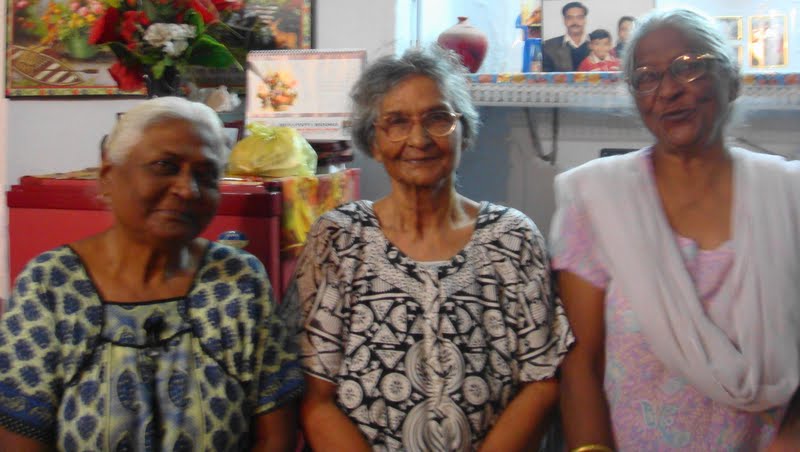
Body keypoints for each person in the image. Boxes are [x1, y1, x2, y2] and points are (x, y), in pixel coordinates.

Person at [291, 45, 573, 451]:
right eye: (397, 122)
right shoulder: (338, 239)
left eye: (438, 118)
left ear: (464, 131)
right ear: (373, 141)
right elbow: (314, 397)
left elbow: (542, 381)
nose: (419, 138)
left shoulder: (513, 239)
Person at [551, 8, 800, 451]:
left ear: (731, 79)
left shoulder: (788, 195)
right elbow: (580, 363)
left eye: (688, 67)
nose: (667, 90)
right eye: (647, 78)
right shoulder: (596, 200)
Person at [0, 97, 303, 451]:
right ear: (109, 176)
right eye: (164, 166)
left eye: (206, 175)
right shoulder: (50, 284)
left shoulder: (240, 280)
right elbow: (21, 440)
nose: (187, 189)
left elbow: (274, 436)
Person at [542, 1, 590, 72]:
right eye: (570, 18)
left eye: (579, 17)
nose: (575, 21)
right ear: (564, 20)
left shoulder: (600, 43)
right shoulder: (549, 46)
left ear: (585, 20)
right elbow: (546, 76)